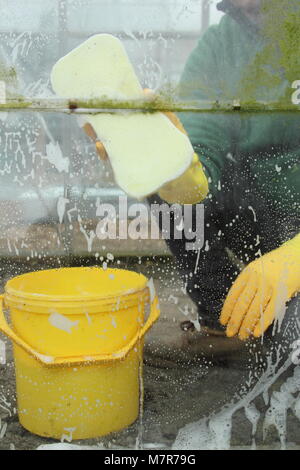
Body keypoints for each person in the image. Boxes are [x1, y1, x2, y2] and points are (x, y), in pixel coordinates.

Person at [86, 0, 300, 361]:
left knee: (291, 344)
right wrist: (178, 170)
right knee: (163, 170)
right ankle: (227, 319)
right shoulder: (218, 48)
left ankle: (275, 318)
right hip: (257, 214)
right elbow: (202, 143)